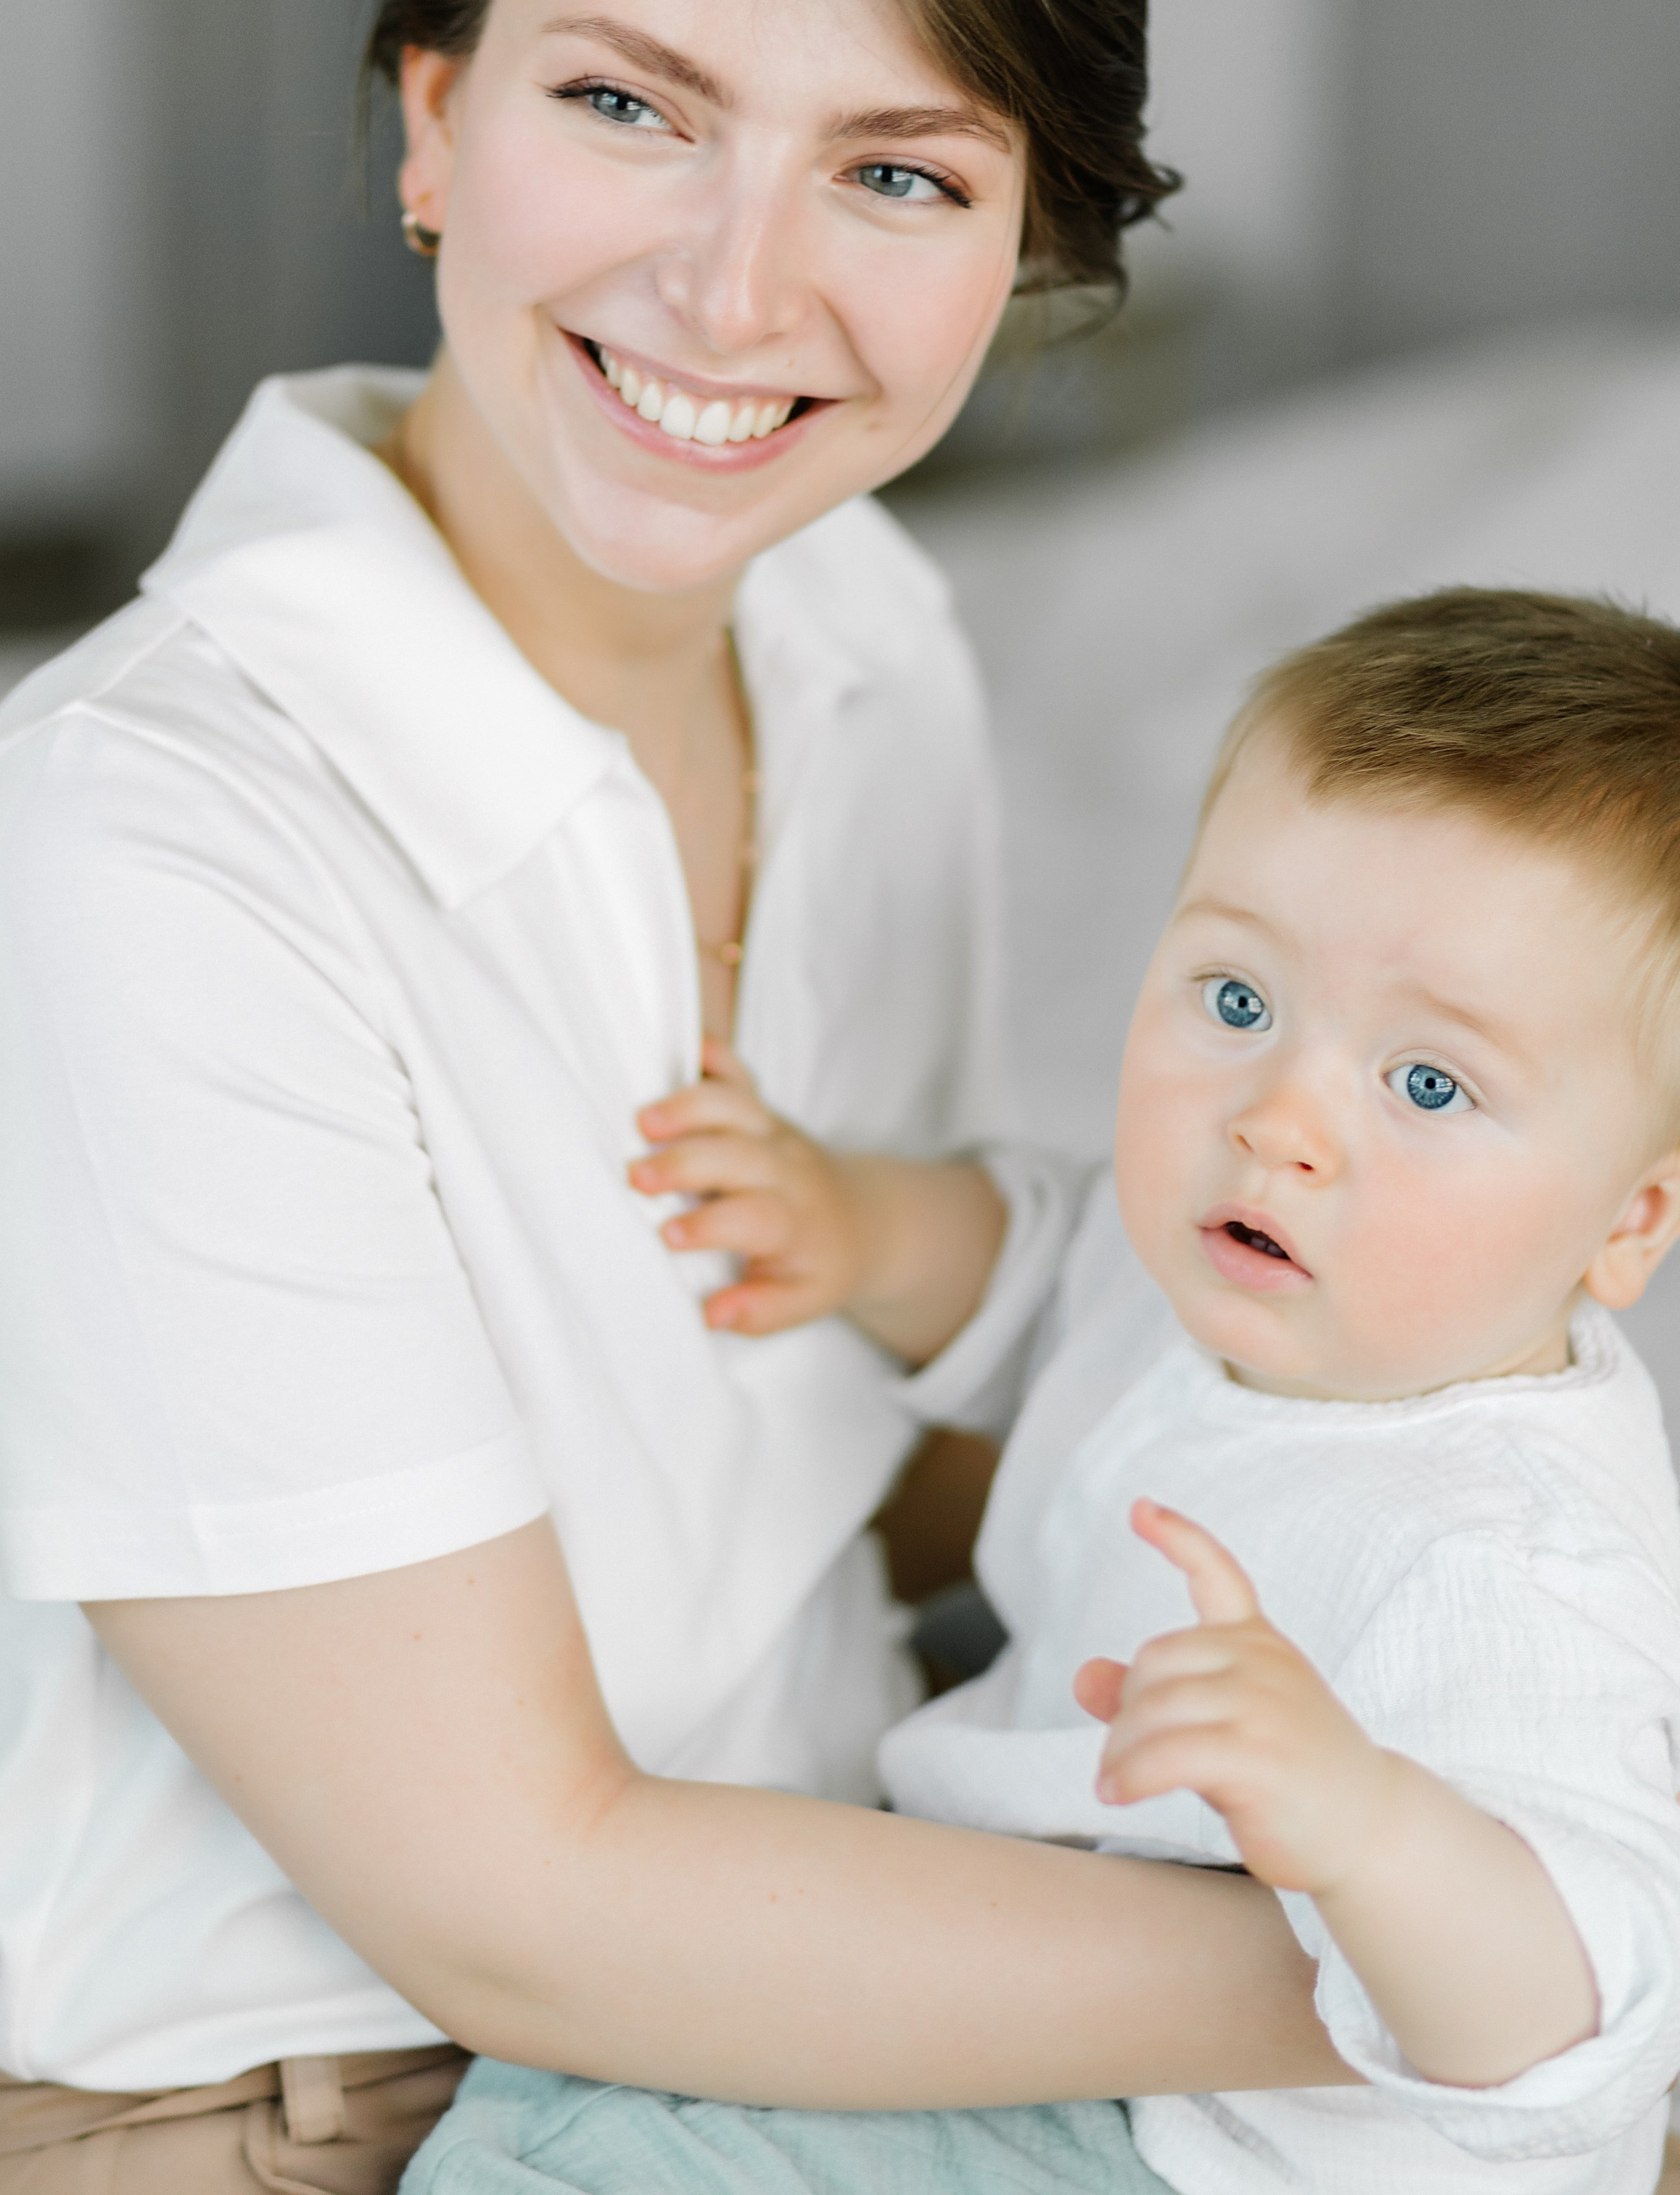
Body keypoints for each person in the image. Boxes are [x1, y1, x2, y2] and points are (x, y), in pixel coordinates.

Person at [0, 0, 1351, 2195]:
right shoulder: (145, 855)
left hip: (810, 1952)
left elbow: (795, 1446)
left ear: (1028, 243)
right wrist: (1450, 1963)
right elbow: (513, 1900)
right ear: (433, 116)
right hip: (302, 2108)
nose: (736, 286)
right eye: (628, 104)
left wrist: (1411, 1596)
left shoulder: (872, 653)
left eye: (898, 169)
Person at [411, 588, 1680, 2194]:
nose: (1278, 1116)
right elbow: (1043, 1256)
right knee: (557, 2098)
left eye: (1426, 1083)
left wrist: (1363, 1825)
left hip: (1223, 2151)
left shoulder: (1503, 1564)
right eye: (1236, 1001)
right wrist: (851, 1221)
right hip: (1067, 2006)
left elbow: (1587, 2011)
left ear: (1627, 1221)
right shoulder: (1238, 1274)